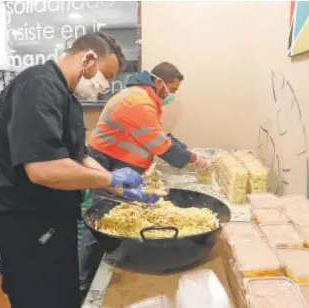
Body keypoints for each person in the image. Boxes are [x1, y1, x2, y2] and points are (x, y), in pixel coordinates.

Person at [0, 32, 157, 308]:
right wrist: (110, 176)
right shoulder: (37, 86)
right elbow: (43, 169)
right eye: (107, 76)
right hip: (28, 228)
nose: (105, 86)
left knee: (64, 298)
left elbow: (78, 156)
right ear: (88, 59)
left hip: (56, 223)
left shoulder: (67, 98)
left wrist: (117, 187)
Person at [78, 62, 210, 293]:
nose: (172, 96)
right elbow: (161, 145)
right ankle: (83, 283)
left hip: (116, 161)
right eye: (172, 90)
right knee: (102, 221)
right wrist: (196, 160)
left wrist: (188, 151)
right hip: (106, 163)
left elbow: (159, 134)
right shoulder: (140, 101)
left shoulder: (143, 97)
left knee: (111, 220)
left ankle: (99, 271)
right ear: (159, 83)